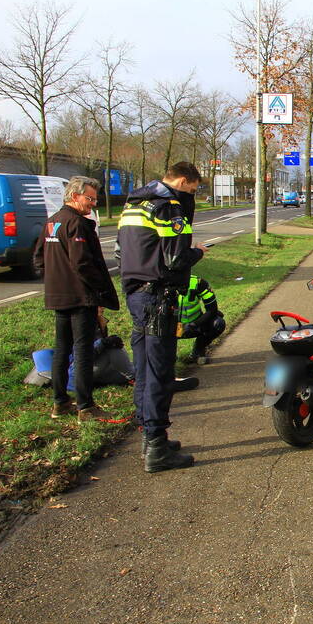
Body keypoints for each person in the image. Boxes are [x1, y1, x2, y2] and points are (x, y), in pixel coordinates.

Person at [116, 162, 208, 473]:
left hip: (136, 293)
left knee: (144, 369)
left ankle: (149, 437)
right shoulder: (168, 207)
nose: (191, 196)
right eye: (191, 190)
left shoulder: (134, 205)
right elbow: (175, 258)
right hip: (158, 297)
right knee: (159, 372)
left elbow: (120, 253)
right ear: (182, 181)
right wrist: (198, 252)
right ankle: (156, 447)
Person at [32, 176, 121, 423]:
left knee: (62, 349)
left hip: (58, 295)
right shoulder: (77, 224)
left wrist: (56, 278)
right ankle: (86, 407)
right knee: (83, 351)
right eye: (89, 198)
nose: (93, 203)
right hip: (80, 297)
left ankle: (60, 402)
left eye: (95, 199)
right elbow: (82, 262)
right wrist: (100, 291)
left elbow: (39, 258)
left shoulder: (52, 221)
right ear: (74, 196)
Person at [178, 274, 225, 365]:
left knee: (218, 323)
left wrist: (193, 325)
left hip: (194, 325)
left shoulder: (198, 282)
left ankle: (197, 351)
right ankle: (169, 357)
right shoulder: (161, 283)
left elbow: (212, 310)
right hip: (172, 328)